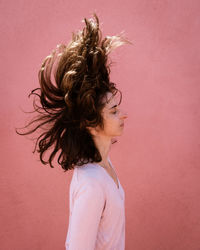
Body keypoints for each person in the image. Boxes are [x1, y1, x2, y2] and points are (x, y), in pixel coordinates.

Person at [16, 12, 131, 250]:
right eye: (113, 111)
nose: (122, 115)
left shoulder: (105, 167)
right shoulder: (91, 182)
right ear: (90, 123)